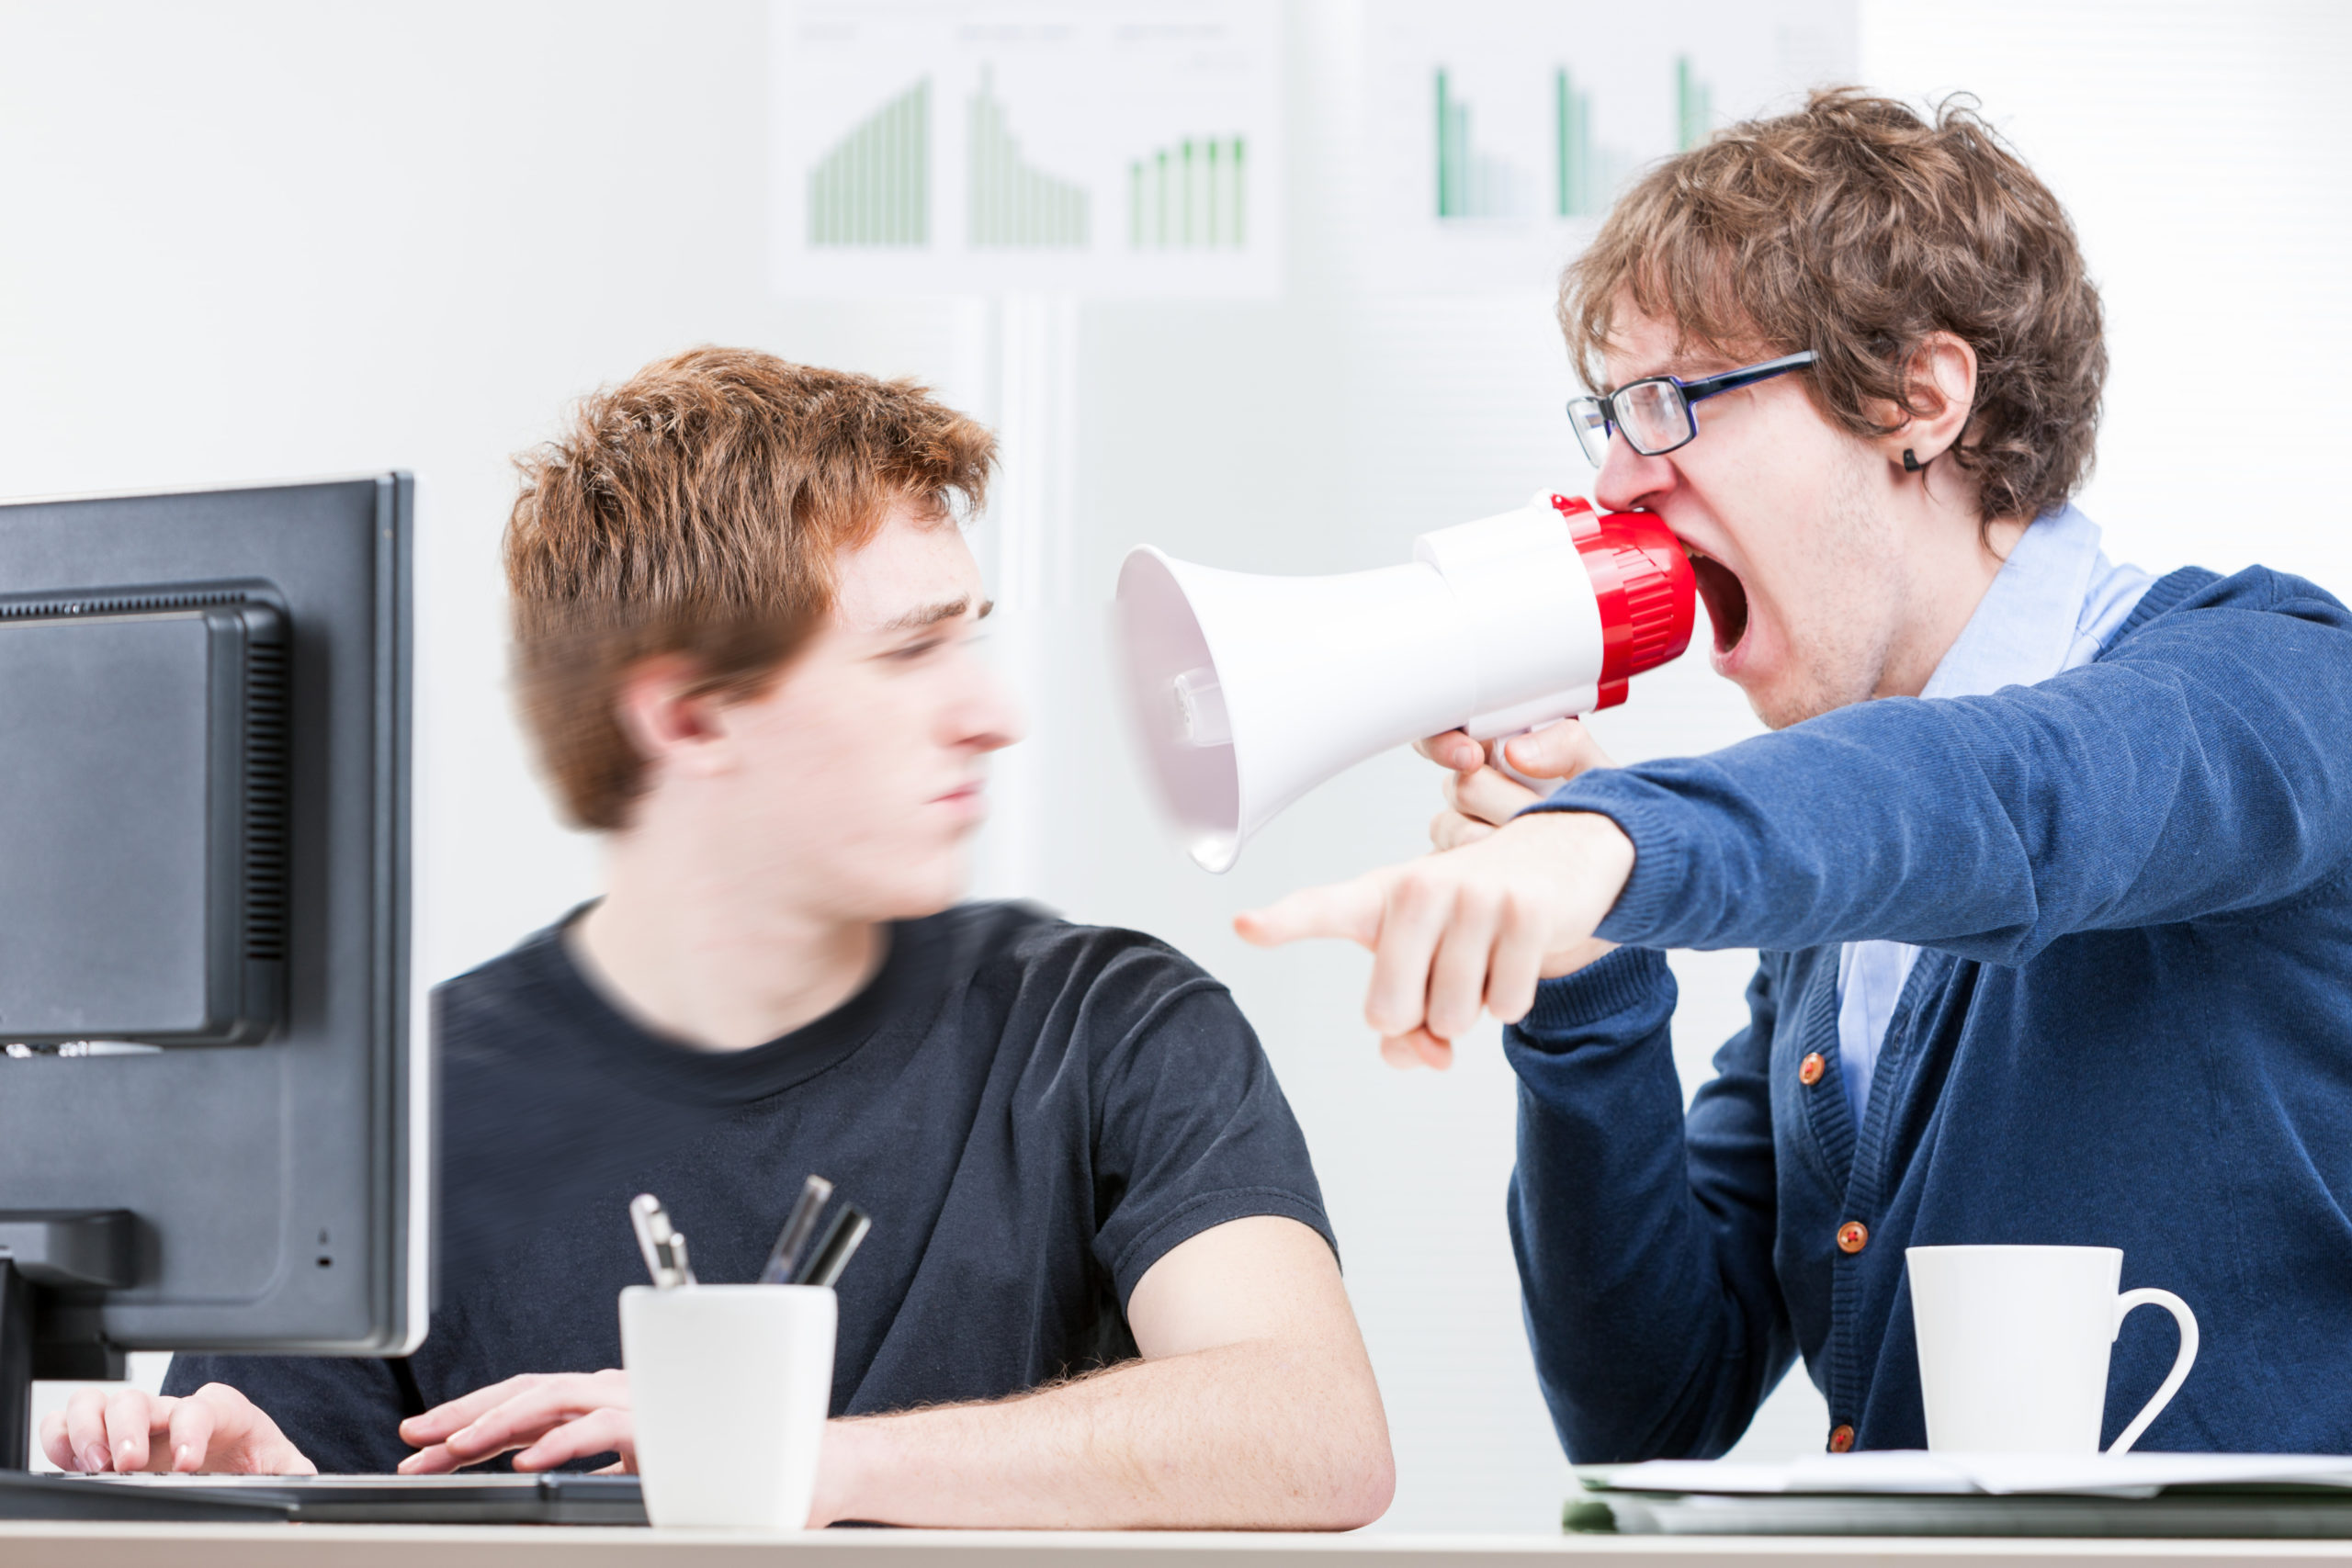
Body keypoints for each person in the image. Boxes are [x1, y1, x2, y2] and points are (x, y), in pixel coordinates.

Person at [44, 348, 1396, 1529]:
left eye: (966, 641)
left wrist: (801, 1464)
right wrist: (275, 1521)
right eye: (910, 653)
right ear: (688, 719)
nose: (991, 715)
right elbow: (316, 1502)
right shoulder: (397, 1110)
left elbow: (1313, 1434)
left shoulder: (1105, 1025)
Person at [1240, 90, 2352, 1459]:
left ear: (1918, 401)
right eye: (1610, 412)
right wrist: (1590, 974)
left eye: (1672, 402)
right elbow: (1651, 1406)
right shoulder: (1840, 889)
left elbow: (2019, 800)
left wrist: (1607, 835)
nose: (1619, 481)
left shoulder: (2278, 687)